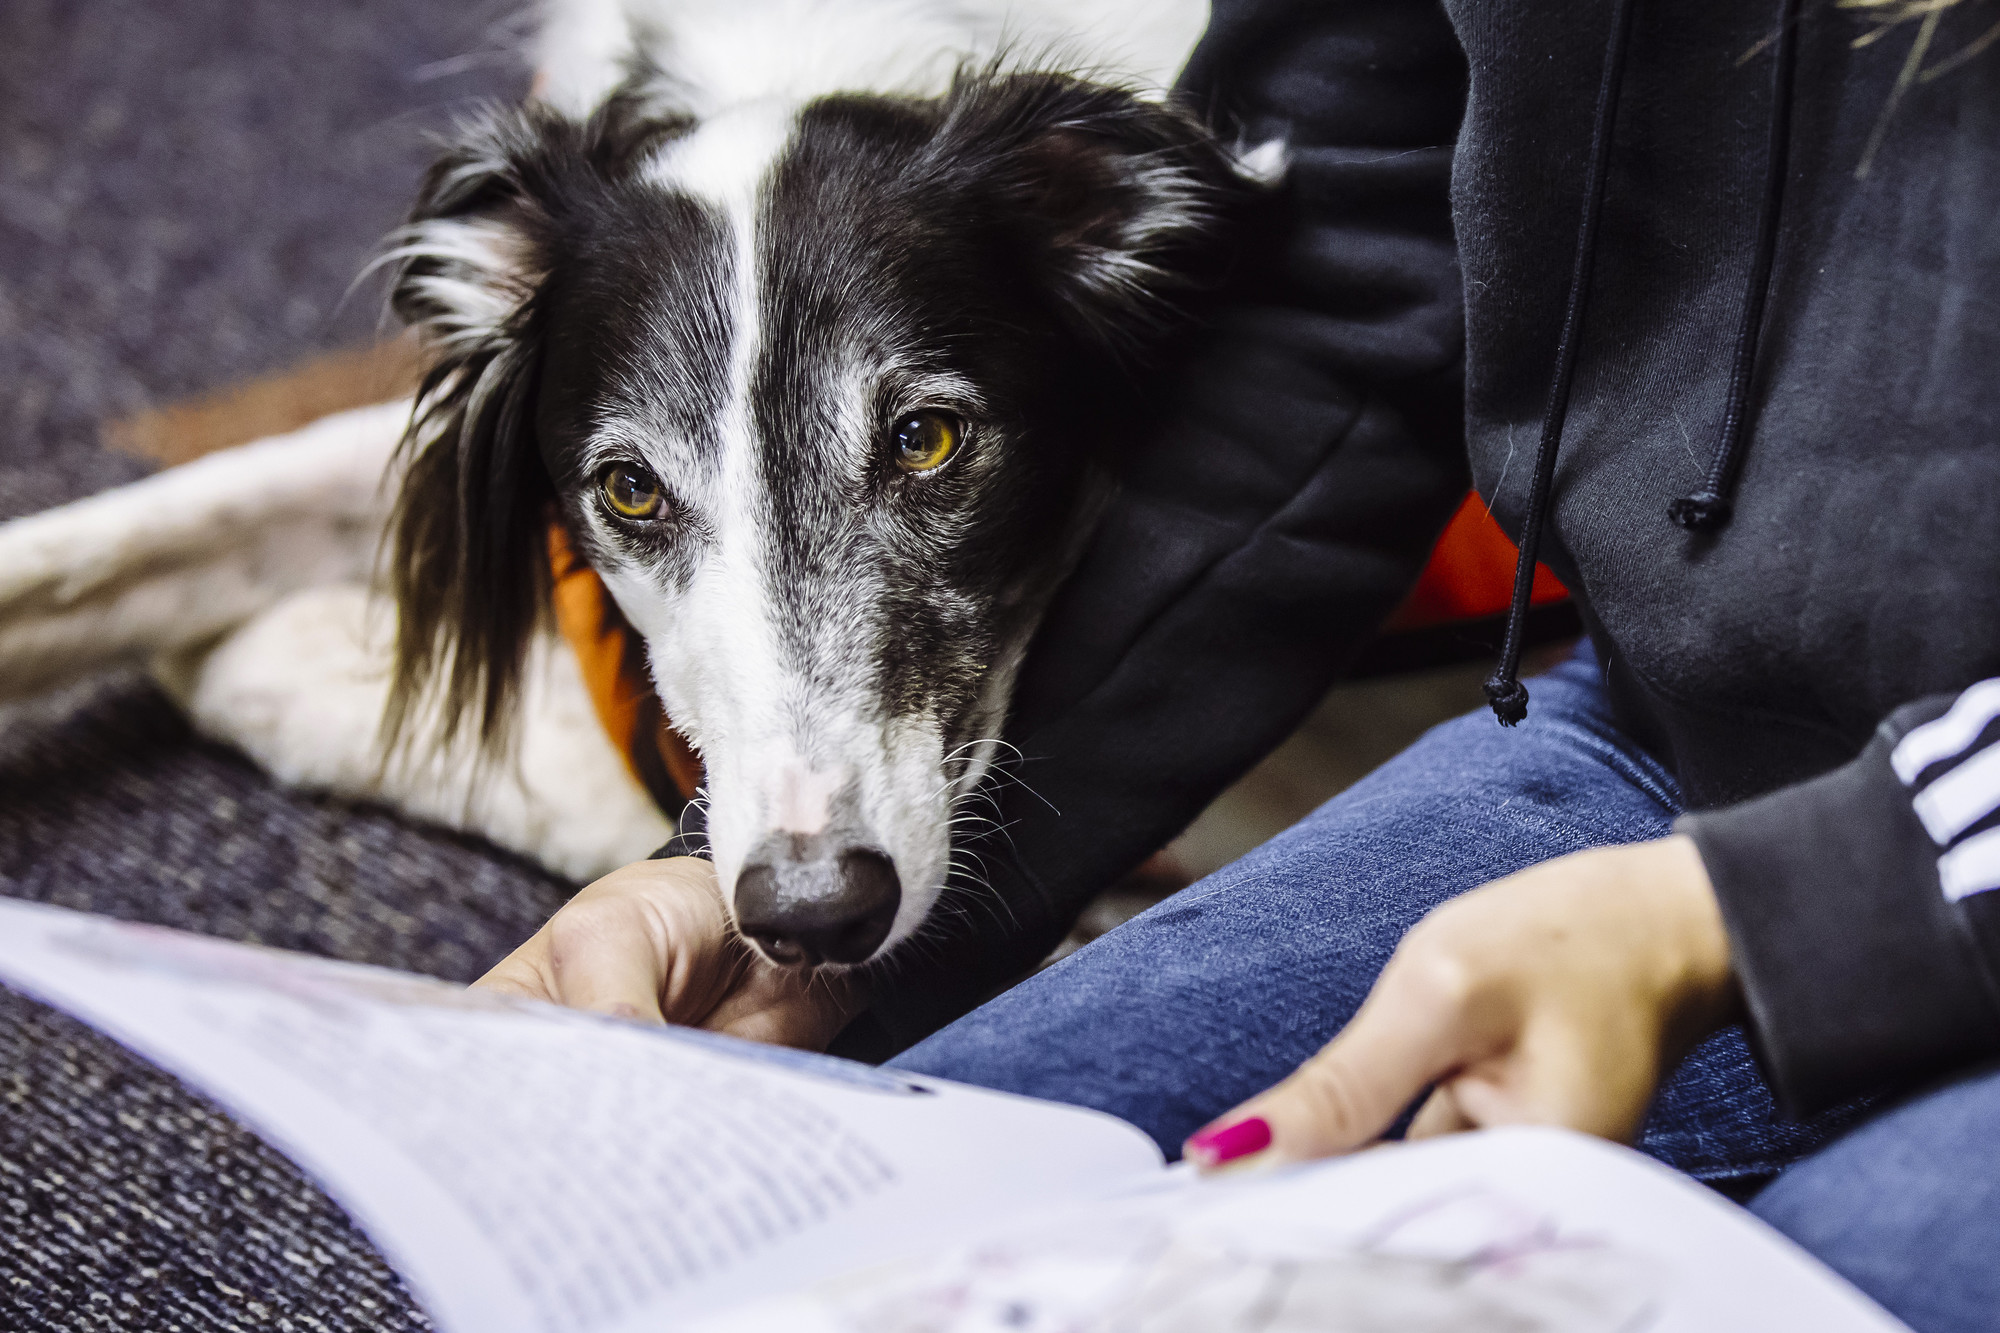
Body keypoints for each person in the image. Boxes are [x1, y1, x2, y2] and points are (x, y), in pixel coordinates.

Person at [477, 2, 2000, 1329]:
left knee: (1835, 1272)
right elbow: (1355, 269)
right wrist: (729, 873)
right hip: (1671, 740)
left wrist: (1774, 913)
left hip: (1907, 833)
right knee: (865, 1239)